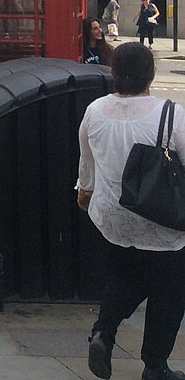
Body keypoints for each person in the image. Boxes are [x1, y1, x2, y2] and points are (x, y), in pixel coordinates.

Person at [78, 43, 185, 380]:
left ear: (113, 72)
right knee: (170, 290)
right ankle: (155, 366)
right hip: (162, 221)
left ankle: (103, 334)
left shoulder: (94, 111)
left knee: (125, 275)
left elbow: (87, 169)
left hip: (112, 220)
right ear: (151, 75)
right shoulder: (171, 115)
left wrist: (85, 193)